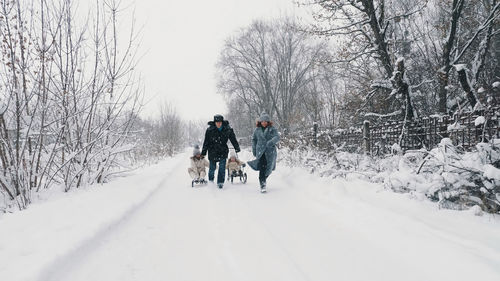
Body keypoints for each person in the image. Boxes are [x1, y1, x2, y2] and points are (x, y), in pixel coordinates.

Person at [201, 114, 240, 189]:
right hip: (212, 151)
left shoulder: (227, 129)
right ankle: (211, 180)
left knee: (222, 168)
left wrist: (237, 147)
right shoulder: (209, 130)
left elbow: (233, 139)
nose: (218, 124)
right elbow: (206, 142)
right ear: (214, 122)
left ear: (222, 122)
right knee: (212, 168)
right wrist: (203, 152)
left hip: (223, 151)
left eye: (220, 122)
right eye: (217, 122)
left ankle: (220, 182)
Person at [247, 112, 280, 193]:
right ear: (260, 122)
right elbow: (254, 140)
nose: (264, 123)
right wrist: (254, 149)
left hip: (270, 152)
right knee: (262, 167)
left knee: (269, 169)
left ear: (268, 122)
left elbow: (277, 137)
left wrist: (271, 142)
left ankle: (263, 178)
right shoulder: (257, 130)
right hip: (260, 151)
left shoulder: (272, 129)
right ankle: (263, 184)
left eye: (265, 121)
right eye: (262, 121)